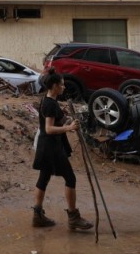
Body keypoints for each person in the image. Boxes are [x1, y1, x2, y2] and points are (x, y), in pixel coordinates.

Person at [31, 70, 93, 231]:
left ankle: (37, 215)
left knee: (43, 178)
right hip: (51, 148)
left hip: (47, 146)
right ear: (54, 86)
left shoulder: (49, 100)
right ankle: (73, 217)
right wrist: (69, 127)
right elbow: (49, 129)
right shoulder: (50, 104)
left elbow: (56, 122)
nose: (64, 87)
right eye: (62, 84)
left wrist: (68, 121)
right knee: (70, 178)